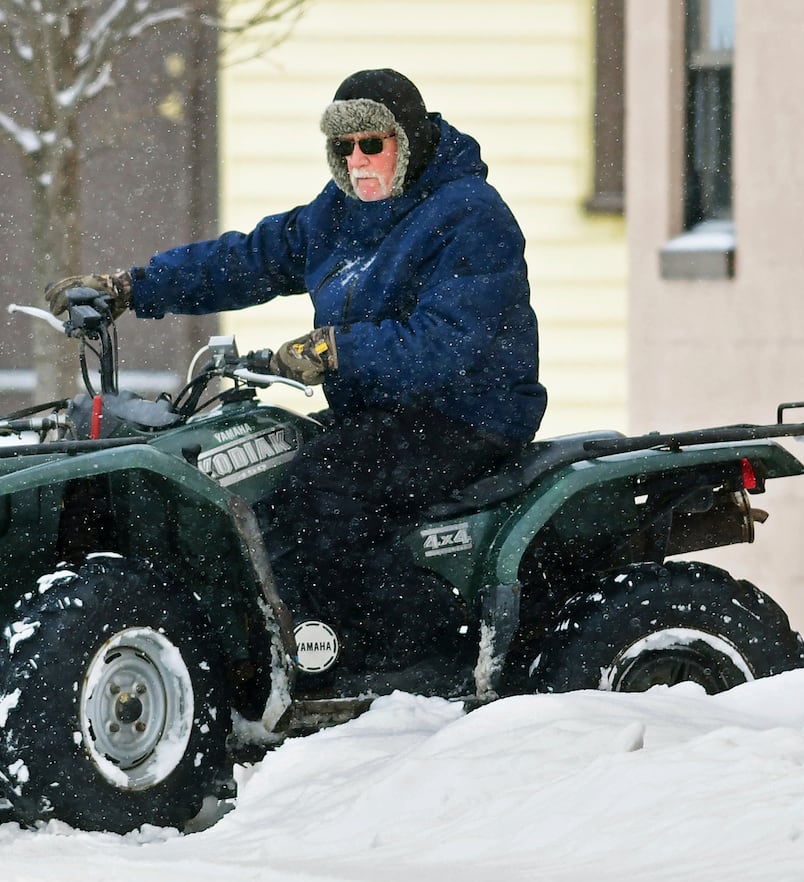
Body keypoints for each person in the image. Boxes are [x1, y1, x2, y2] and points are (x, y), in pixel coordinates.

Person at [46, 68, 544, 679]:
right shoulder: (340, 213)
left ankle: (416, 653)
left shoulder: (469, 215)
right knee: (261, 479)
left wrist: (334, 351)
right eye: (344, 147)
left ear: (407, 139)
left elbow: (448, 344)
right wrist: (133, 288)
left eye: (373, 144)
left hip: (470, 413)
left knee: (319, 496)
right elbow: (249, 258)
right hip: (382, 411)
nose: (358, 159)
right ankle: (291, 649)